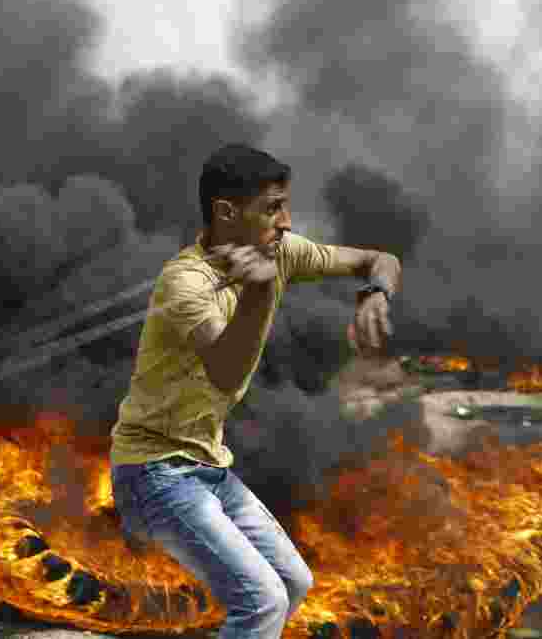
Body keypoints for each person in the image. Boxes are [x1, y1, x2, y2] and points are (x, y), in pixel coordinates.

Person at [109, 144, 401, 639]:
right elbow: (226, 371)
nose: (286, 221)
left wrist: (377, 295)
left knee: (294, 581)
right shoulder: (184, 283)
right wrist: (262, 293)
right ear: (226, 212)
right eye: (272, 208)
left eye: (285, 205)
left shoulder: (280, 251)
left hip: (208, 469)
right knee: (262, 601)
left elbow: (380, 259)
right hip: (154, 473)